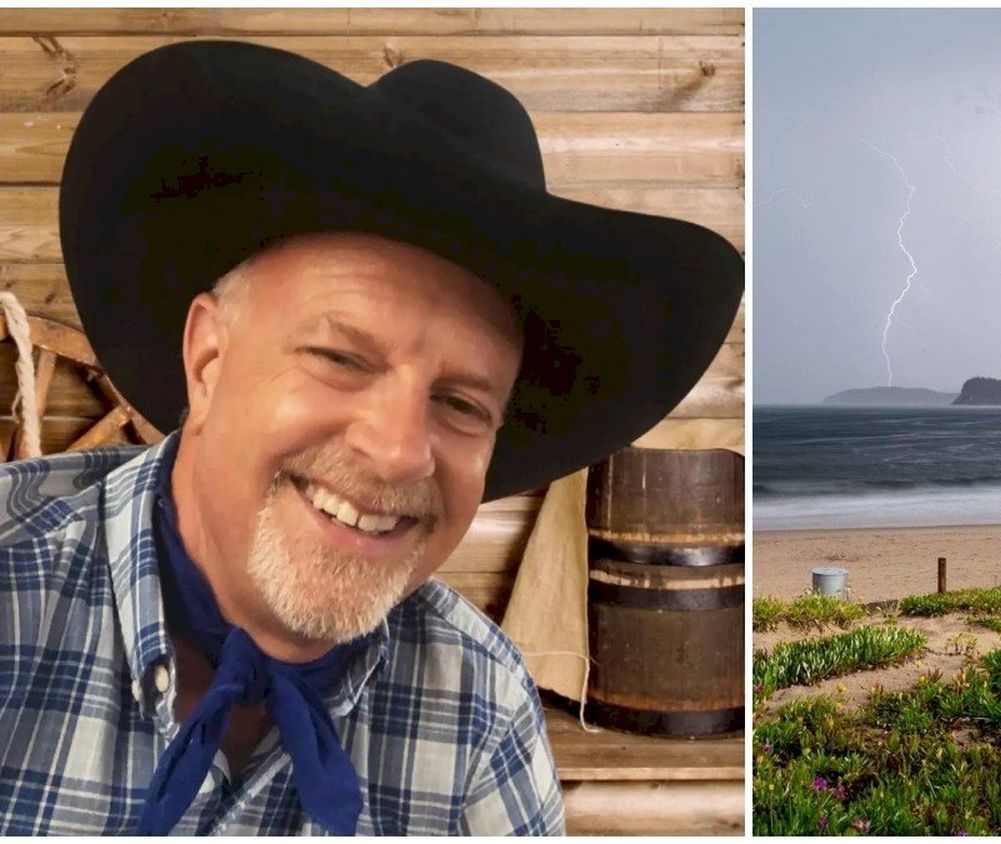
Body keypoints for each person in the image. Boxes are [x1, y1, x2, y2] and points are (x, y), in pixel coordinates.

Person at [0, 41, 742, 835]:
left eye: (459, 403)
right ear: (209, 360)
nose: (396, 451)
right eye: (341, 358)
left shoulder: (479, 703)